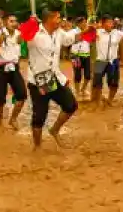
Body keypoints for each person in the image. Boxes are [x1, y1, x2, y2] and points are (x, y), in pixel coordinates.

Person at [25, 8, 84, 149]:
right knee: (39, 116)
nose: (61, 20)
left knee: (71, 105)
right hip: (39, 81)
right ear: (49, 19)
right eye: (58, 18)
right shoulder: (34, 33)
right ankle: (37, 147)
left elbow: (70, 39)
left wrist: (86, 31)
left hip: (55, 78)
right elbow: (19, 38)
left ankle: (54, 130)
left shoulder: (59, 33)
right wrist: (29, 25)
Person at [0, 14, 27, 129]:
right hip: (1, 69)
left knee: (22, 95)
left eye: (15, 21)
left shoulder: (18, 34)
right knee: (0, 100)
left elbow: (20, 40)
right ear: (5, 23)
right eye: (11, 21)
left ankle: (13, 119)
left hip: (14, 68)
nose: (14, 23)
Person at [91, 15, 122, 106]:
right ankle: (98, 100)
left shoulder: (117, 33)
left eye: (111, 22)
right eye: (108, 22)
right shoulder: (97, 32)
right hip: (100, 60)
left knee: (114, 82)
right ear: (103, 23)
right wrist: (92, 27)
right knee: (97, 82)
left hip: (113, 61)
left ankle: (110, 100)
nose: (111, 24)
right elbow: (86, 36)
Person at [69, 17, 91, 96]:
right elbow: (75, 38)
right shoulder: (73, 31)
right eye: (83, 22)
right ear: (78, 24)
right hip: (75, 56)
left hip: (87, 55)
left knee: (88, 75)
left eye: (85, 22)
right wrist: (84, 32)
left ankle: (83, 89)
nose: (85, 24)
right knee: (77, 75)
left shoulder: (89, 31)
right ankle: (77, 91)